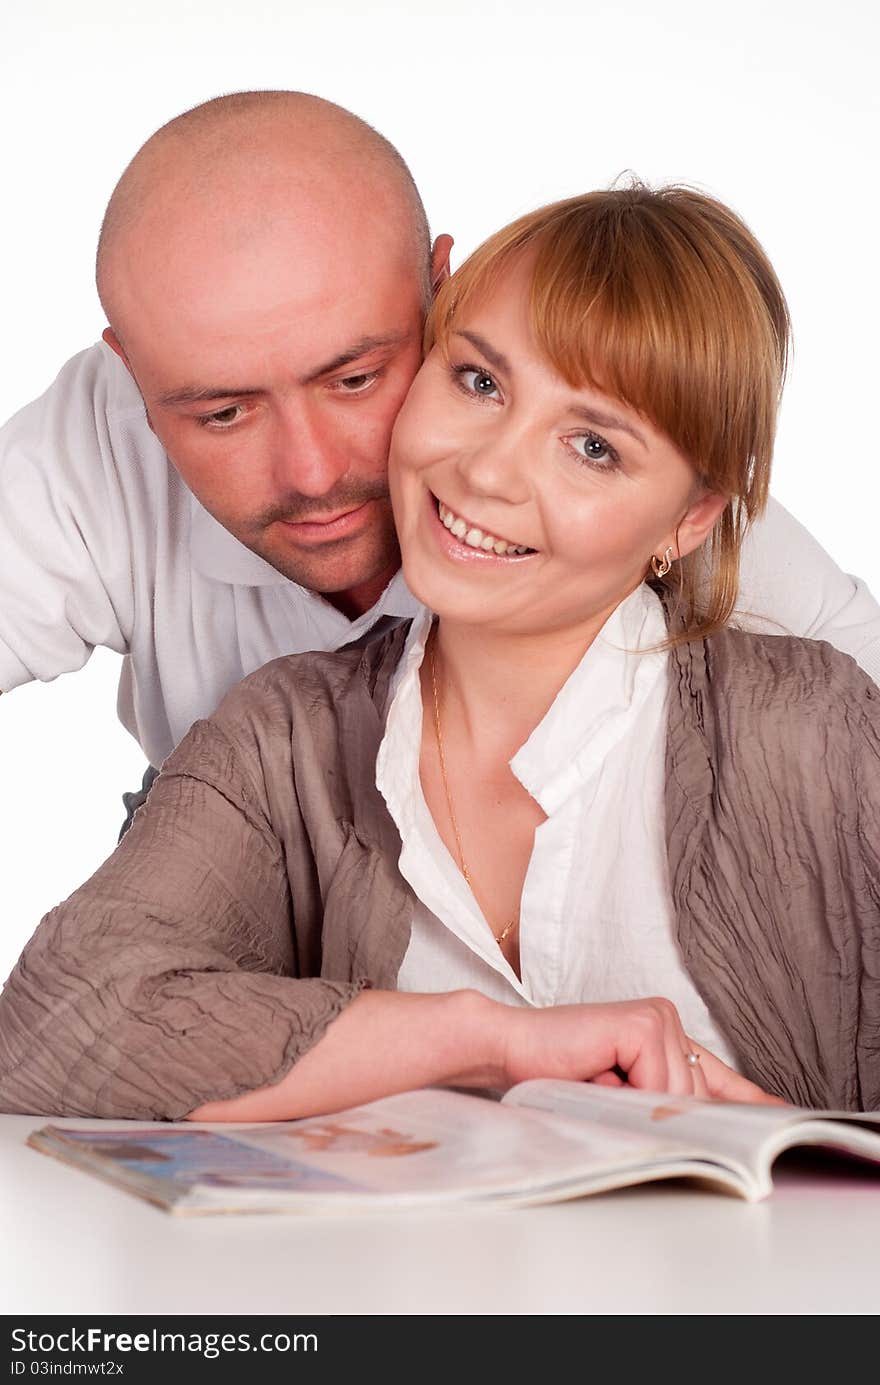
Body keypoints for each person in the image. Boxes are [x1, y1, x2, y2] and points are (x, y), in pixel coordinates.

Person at [2, 184, 877, 1122]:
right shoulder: (282, 735)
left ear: (692, 518)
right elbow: (57, 1024)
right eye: (480, 383)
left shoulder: (814, 729)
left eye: (591, 446)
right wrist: (486, 1043)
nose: (488, 470)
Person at [1, 91, 879, 829]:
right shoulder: (97, 443)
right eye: (223, 413)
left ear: (440, 290)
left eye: (354, 378)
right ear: (134, 376)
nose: (310, 472)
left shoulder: (625, 486)